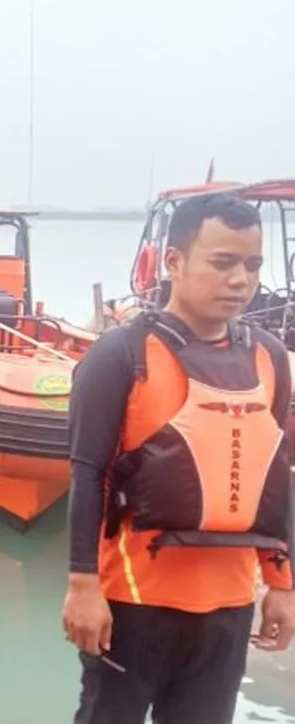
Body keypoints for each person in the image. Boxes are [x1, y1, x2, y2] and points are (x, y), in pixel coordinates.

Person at [62, 192, 295, 724]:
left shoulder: (270, 358)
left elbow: (274, 478)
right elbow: (87, 473)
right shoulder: (122, 355)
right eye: (223, 262)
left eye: (252, 264)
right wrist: (82, 587)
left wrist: (282, 586)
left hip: (228, 607)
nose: (241, 279)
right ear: (173, 262)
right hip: (134, 603)